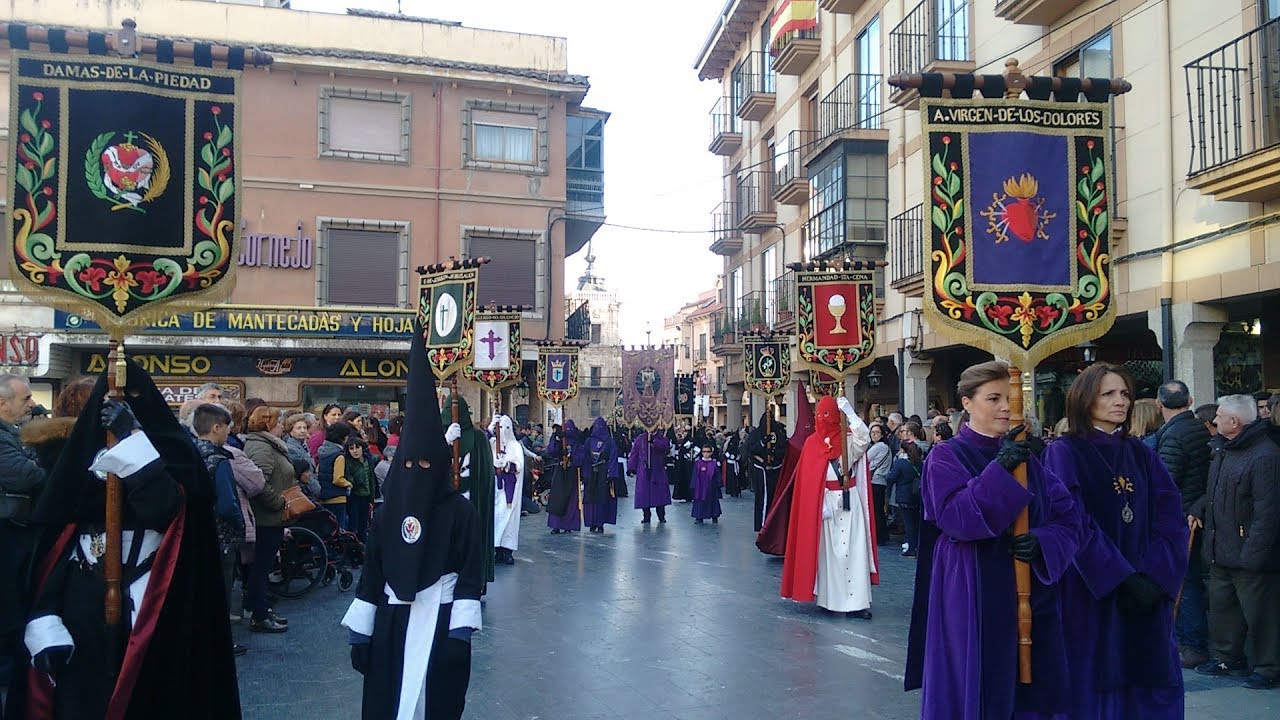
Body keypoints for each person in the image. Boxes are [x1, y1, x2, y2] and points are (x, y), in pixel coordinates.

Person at [11, 361, 240, 718]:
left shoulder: (173, 452)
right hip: (82, 600)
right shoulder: (70, 460)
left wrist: (133, 438)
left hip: (151, 597)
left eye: (132, 395)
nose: (120, 402)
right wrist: (45, 618)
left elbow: (164, 507)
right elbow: (54, 542)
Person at [905, 361, 1078, 719]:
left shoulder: (1032, 459)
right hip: (972, 583)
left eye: (1010, 397)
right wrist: (999, 470)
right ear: (967, 403)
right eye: (994, 398)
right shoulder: (945, 455)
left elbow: (1068, 515)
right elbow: (957, 518)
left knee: (1033, 683)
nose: (1005, 406)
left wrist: (1042, 541)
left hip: (1030, 586)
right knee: (979, 678)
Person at [341, 321, 482, 720]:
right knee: (387, 700)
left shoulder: (460, 511)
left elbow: (471, 572)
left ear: (437, 468)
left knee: (435, 701)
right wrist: (361, 631)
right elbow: (372, 571)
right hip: (392, 621)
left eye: (425, 464)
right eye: (408, 464)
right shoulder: (386, 514)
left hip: (441, 621)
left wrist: (461, 632)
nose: (416, 471)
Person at [1041, 363, 1187, 716]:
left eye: (1124, 393)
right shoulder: (1065, 451)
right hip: (1093, 588)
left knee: (1147, 673)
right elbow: (1072, 519)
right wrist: (1118, 577)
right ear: (1084, 398)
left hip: (1145, 586)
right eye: (1108, 393)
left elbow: (1170, 516)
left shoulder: (1140, 452)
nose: (1119, 401)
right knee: (1094, 675)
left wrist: (1153, 576)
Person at [1190, 394, 1280, 690]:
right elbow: (1215, 491)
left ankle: (1269, 668)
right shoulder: (1223, 449)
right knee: (1223, 609)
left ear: (1235, 422)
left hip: (1249, 552)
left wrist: (1253, 555)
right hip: (1222, 547)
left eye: (1219, 415)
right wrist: (1199, 507)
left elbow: (1267, 512)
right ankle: (1228, 658)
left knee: (1262, 615)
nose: (1214, 420)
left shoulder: (1265, 455)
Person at [780, 396, 876, 617]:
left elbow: (864, 439)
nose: (823, 420)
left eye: (828, 415)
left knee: (854, 551)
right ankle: (830, 599)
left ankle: (856, 603)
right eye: (819, 415)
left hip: (849, 499)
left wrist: (851, 414)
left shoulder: (848, 438)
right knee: (829, 554)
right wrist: (818, 502)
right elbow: (809, 480)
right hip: (825, 503)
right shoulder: (811, 444)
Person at [1153, 379, 1212, 668]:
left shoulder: (1175, 435)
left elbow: (1166, 481)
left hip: (1181, 515)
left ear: (1159, 404)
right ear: (1188, 402)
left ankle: (1192, 644)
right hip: (1192, 511)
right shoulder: (1195, 428)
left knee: (1184, 583)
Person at [191, 403, 249, 656]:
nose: (229, 432)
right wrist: (240, 524)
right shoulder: (219, 460)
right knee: (222, 591)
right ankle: (220, 642)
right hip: (223, 536)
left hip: (199, 533)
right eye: (227, 427)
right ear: (216, 427)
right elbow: (228, 504)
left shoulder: (190, 454)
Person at [0, 374, 45, 685]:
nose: (33, 403)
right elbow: (25, 475)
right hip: (8, 533)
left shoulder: (15, 434)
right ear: (3, 404)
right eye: (25, 398)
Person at [241, 406, 295, 635]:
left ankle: (261, 610)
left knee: (261, 568)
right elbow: (258, 484)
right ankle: (259, 614)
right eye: (279, 422)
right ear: (268, 424)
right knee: (260, 569)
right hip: (265, 518)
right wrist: (279, 503)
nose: (283, 425)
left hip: (269, 517)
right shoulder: (262, 448)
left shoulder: (267, 445)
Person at [441, 397, 495, 590]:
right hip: (445, 501)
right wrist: (444, 442)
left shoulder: (479, 438)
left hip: (471, 499)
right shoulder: (439, 435)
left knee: (471, 542)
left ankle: (474, 582)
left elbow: (486, 473)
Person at [744, 411, 787, 532]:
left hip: (776, 468)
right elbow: (750, 450)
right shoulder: (756, 434)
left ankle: (776, 525)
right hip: (761, 469)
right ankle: (763, 524)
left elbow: (784, 448)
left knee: (776, 497)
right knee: (763, 497)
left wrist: (773, 454)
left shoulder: (779, 433)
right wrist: (762, 443)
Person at [489, 415, 524, 562]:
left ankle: (507, 551)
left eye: (506, 428)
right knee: (496, 518)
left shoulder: (515, 446)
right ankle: (495, 549)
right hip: (496, 489)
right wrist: (489, 431)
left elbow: (519, 466)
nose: (503, 431)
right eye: (500, 427)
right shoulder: (492, 443)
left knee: (509, 521)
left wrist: (506, 465)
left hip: (510, 491)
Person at [887, 432, 925, 558]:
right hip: (917, 494)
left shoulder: (901, 463)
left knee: (908, 523)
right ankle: (918, 546)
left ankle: (912, 548)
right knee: (916, 522)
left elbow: (891, 478)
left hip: (904, 495)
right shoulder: (919, 463)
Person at [544, 420, 584, 534]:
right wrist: (556, 439)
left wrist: (571, 456)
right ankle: (556, 525)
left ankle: (568, 525)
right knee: (557, 498)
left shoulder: (577, 443)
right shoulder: (560, 439)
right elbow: (551, 451)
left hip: (572, 472)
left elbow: (581, 458)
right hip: (560, 472)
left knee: (571, 500)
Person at [582, 417, 619, 534]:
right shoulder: (589, 441)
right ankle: (592, 522)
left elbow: (613, 458)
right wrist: (585, 473)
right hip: (592, 473)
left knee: (602, 498)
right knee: (590, 498)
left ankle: (600, 523)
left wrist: (611, 473)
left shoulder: (609, 441)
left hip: (603, 473)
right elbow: (586, 458)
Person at [629, 427, 672, 524]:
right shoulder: (640, 439)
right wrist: (631, 467)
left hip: (658, 469)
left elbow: (665, 448)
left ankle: (661, 516)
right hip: (644, 470)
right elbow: (634, 453)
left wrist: (654, 442)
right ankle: (646, 516)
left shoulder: (662, 438)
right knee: (644, 494)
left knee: (659, 495)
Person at [316, 422, 354, 529]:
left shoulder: (323, 452)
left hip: (324, 495)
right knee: (339, 528)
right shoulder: (339, 456)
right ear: (342, 437)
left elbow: (318, 470)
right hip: (337, 497)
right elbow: (338, 478)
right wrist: (349, 484)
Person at [344, 437, 378, 543]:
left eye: (357, 447)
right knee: (354, 523)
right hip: (355, 496)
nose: (355, 451)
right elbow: (351, 480)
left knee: (364, 523)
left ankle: (363, 546)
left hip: (366, 496)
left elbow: (371, 479)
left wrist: (372, 498)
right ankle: (354, 546)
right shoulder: (348, 463)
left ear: (362, 448)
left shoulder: (368, 459)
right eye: (351, 448)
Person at [866, 423, 892, 547]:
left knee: (876, 510)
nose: (873, 435)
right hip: (880, 480)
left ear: (882, 434)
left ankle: (879, 536)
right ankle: (882, 535)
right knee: (879, 510)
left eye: (876, 432)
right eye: (872, 433)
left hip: (876, 480)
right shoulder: (883, 446)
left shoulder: (879, 447)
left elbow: (866, 458)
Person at [690, 445, 722, 524]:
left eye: (708, 452)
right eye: (704, 452)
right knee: (699, 501)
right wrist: (693, 485)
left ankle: (714, 516)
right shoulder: (698, 463)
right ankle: (699, 517)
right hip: (700, 486)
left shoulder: (714, 463)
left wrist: (719, 483)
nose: (706, 454)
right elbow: (694, 474)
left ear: (711, 453)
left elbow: (718, 474)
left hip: (711, 486)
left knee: (713, 501)